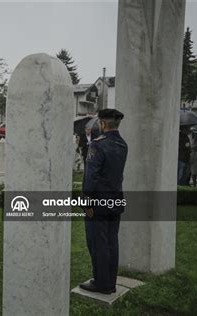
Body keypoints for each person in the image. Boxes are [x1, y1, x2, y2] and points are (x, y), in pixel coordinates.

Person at [80, 109, 128, 295]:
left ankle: (101, 283)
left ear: (102, 123)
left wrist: (86, 201)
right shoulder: (123, 144)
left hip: (98, 202)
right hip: (115, 200)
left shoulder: (98, 145)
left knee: (97, 242)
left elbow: (91, 177)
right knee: (111, 242)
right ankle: (110, 282)